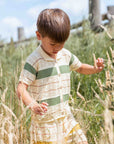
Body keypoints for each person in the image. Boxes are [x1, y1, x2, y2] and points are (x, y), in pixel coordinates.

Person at [17, 8, 104, 144]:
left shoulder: (65, 54)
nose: (57, 47)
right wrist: (33, 105)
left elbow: (80, 67)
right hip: (46, 124)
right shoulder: (34, 60)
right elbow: (21, 88)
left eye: (62, 43)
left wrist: (94, 68)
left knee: (82, 141)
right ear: (39, 36)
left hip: (66, 117)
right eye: (53, 44)